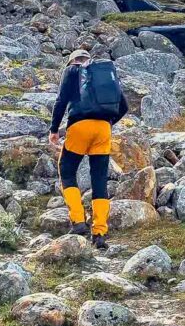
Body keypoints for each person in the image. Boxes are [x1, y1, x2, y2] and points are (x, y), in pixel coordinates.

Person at [47, 49, 128, 249]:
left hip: (79, 127)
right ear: (88, 60)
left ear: (71, 62)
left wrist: (54, 129)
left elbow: (60, 101)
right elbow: (124, 106)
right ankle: (99, 232)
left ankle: (78, 221)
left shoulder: (72, 72)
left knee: (66, 170)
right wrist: (108, 123)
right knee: (99, 179)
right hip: (103, 130)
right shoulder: (103, 75)